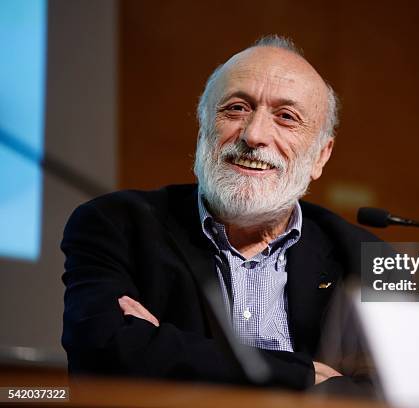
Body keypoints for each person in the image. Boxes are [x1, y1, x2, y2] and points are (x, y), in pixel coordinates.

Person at [61, 35, 379, 392]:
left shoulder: (365, 256)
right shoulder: (115, 224)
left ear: (321, 155)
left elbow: (400, 390)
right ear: (203, 130)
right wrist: (304, 374)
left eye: (286, 117)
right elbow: (104, 356)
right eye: (235, 109)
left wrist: (165, 347)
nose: (254, 134)